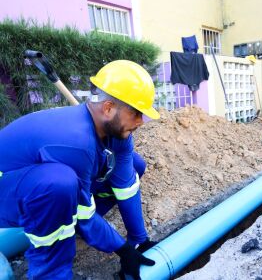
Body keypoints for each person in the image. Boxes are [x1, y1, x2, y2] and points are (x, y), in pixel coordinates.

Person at [0, 60, 160, 279]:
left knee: (135, 164)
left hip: (31, 182)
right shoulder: (76, 141)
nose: (141, 121)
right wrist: (121, 250)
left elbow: (126, 186)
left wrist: (138, 240)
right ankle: (51, 272)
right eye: (136, 113)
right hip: (7, 188)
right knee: (58, 184)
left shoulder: (116, 133)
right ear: (108, 108)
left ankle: (70, 226)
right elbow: (84, 213)